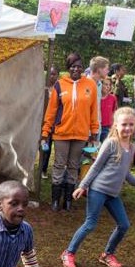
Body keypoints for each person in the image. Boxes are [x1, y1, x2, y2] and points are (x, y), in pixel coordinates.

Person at [60, 107, 135, 267]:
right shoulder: (111, 144)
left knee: (124, 225)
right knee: (90, 224)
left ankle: (107, 254)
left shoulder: (131, 147)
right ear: (116, 125)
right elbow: (95, 167)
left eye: (131, 124)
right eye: (124, 124)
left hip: (113, 194)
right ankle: (68, 253)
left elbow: (126, 173)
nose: (127, 128)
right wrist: (83, 186)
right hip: (98, 190)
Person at [42, 53, 99, 212]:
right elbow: (51, 111)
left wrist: (94, 131)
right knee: (59, 165)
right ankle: (55, 200)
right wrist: (46, 131)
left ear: (83, 68)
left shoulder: (90, 85)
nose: (76, 69)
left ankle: (68, 200)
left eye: (79, 66)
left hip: (81, 134)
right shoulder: (60, 85)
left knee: (74, 166)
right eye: (73, 66)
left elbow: (94, 111)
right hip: (61, 133)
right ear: (68, 68)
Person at [41, 65, 59, 179]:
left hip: (56, 124)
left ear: (57, 75)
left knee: (52, 148)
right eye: (50, 74)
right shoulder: (43, 87)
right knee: (44, 147)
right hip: (45, 122)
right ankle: (41, 169)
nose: (51, 76)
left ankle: (44, 169)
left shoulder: (59, 88)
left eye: (54, 74)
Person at [100, 77, 117, 143]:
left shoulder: (113, 98)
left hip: (107, 128)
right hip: (96, 128)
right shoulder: (96, 97)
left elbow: (114, 113)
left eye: (109, 85)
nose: (108, 87)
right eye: (106, 84)